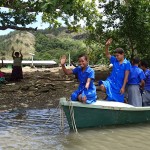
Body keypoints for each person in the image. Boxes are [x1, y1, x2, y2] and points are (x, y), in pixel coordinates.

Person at [98, 38, 131, 102]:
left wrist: (123, 87)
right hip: (111, 81)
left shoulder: (127, 63)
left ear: (122, 54)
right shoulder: (115, 60)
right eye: (115, 56)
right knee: (102, 86)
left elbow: (126, 76)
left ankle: (122, 100)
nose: (116, 57)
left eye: (118, 55)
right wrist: (107, 46)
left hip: (119, 84)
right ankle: (108, 95)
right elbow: (107, 54)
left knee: (117, 101)